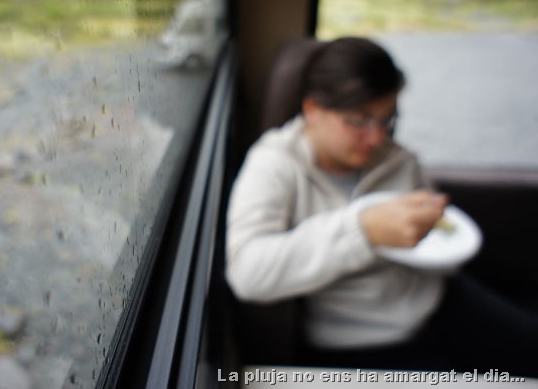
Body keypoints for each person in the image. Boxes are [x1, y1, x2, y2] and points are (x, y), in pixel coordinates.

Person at [226, 36, 537, 376]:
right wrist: (363, 230)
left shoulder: (396, 159)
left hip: (439, 300)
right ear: (313, 110)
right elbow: (247, 272)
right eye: (359, 121)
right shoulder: (274, 164)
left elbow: (439, 251)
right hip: (366, 341)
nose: (376, 137)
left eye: (386, 120)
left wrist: (429, 224)